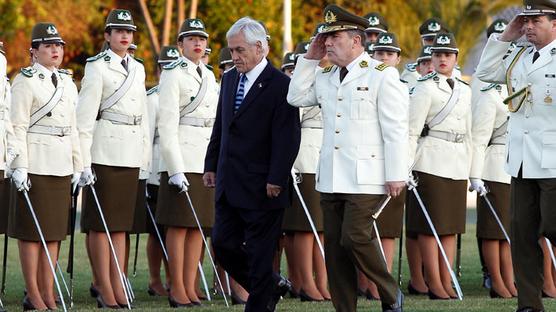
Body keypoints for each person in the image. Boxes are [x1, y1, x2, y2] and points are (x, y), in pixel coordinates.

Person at [287, 4, 406, 312]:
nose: (327, 42)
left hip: (367, 175)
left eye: (334, 37)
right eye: (325, 37)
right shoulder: (325, 75)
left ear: (356, 40)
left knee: (354, 237)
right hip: (331, 174)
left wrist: (396, 173)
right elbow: (295, 97)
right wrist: (310, 58)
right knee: (336, 251)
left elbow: (395, 129)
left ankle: (390, 292)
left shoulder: (382, 75)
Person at [204, 17, 300, 312]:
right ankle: (270, 285)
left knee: (260, 256)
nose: (234, 57)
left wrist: (276, 177)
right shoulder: (230, 78)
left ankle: (261, 300)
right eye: (231, 50)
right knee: (222, 245)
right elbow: (221, 126)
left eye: (239, 50)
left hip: (263, 186)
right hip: (230, 182)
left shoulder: (281, 84)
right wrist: (211, 164)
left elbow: (287, 137)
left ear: (260, 48)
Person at [475, 1, 556, 310]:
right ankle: (529, 304)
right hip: (521, 162)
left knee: (553, 228)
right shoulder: (519, 57)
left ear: (554, 24)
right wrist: (505, 37)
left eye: (536, 20)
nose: (529, 25)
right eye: (525, 20)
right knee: (522, 238)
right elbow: (484, 73)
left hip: (552, 162)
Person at [77, 9, 150, 308]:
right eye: (118, 30)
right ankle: (103, 286)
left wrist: (144, 156)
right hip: (104, 152)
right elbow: (84, 119)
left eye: (129, 31)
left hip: (130, 152)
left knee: (120, 225)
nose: (124, 36)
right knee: (100, 224)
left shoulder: (139, 68)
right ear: (107, 35)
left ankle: (118, 283)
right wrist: (82, 162)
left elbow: (143, 116)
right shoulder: (96, 67)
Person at [8, 22, 82, 310]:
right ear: (34, 51)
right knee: (31, 233)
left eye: (59, 45)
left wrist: (78, 165)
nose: (55, 50)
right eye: (49, 45)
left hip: (61, 164)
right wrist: (20, 166)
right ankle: (33, 293)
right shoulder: (24, 80)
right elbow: (17, 127)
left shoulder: (66, 82)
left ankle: (48, 291)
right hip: (35, 164)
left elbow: (72, 128)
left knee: (53, 232)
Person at [156, 18, 219, 307]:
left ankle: (191, 285)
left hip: (204, 159)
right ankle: (176, 286)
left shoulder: (208, 74)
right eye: (191, 39)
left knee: (199, 227)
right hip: (182, 158)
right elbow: (167, 126)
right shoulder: (172, 74)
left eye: (202, 39)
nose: (197, 43)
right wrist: (174, 168)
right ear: (180, 45)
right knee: (179, 226)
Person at [407, 32, 472, 300]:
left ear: (456, 58)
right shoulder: (424, 87)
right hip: (429, 162)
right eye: (438, 54)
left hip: (456, 161)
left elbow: (469, 132)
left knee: (450, 227)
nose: (443, 59)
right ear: (431, 58)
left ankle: (447, 281)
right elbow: (411, 131)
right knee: (429, 227)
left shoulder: (464, 90)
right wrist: (406, 167)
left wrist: (471, 169)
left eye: (447, 54)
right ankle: (434, 283)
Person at [144, 45, 180, 297]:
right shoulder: (152, 97)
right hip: (156, 169)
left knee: (175, 226)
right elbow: (146, 138)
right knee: (157, 231)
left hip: (178, 165)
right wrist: (145, 174)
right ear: (158, 70)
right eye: (165, 66)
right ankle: (155, 279)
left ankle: (173, 278)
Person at [404, 44, 434, 297]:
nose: (430, 66)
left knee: (441, 224)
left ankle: (433, 278)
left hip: (443, 159)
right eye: (425, 62)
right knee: (415, 225)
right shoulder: (411, 86)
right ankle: (417, 278)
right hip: (418, 160)